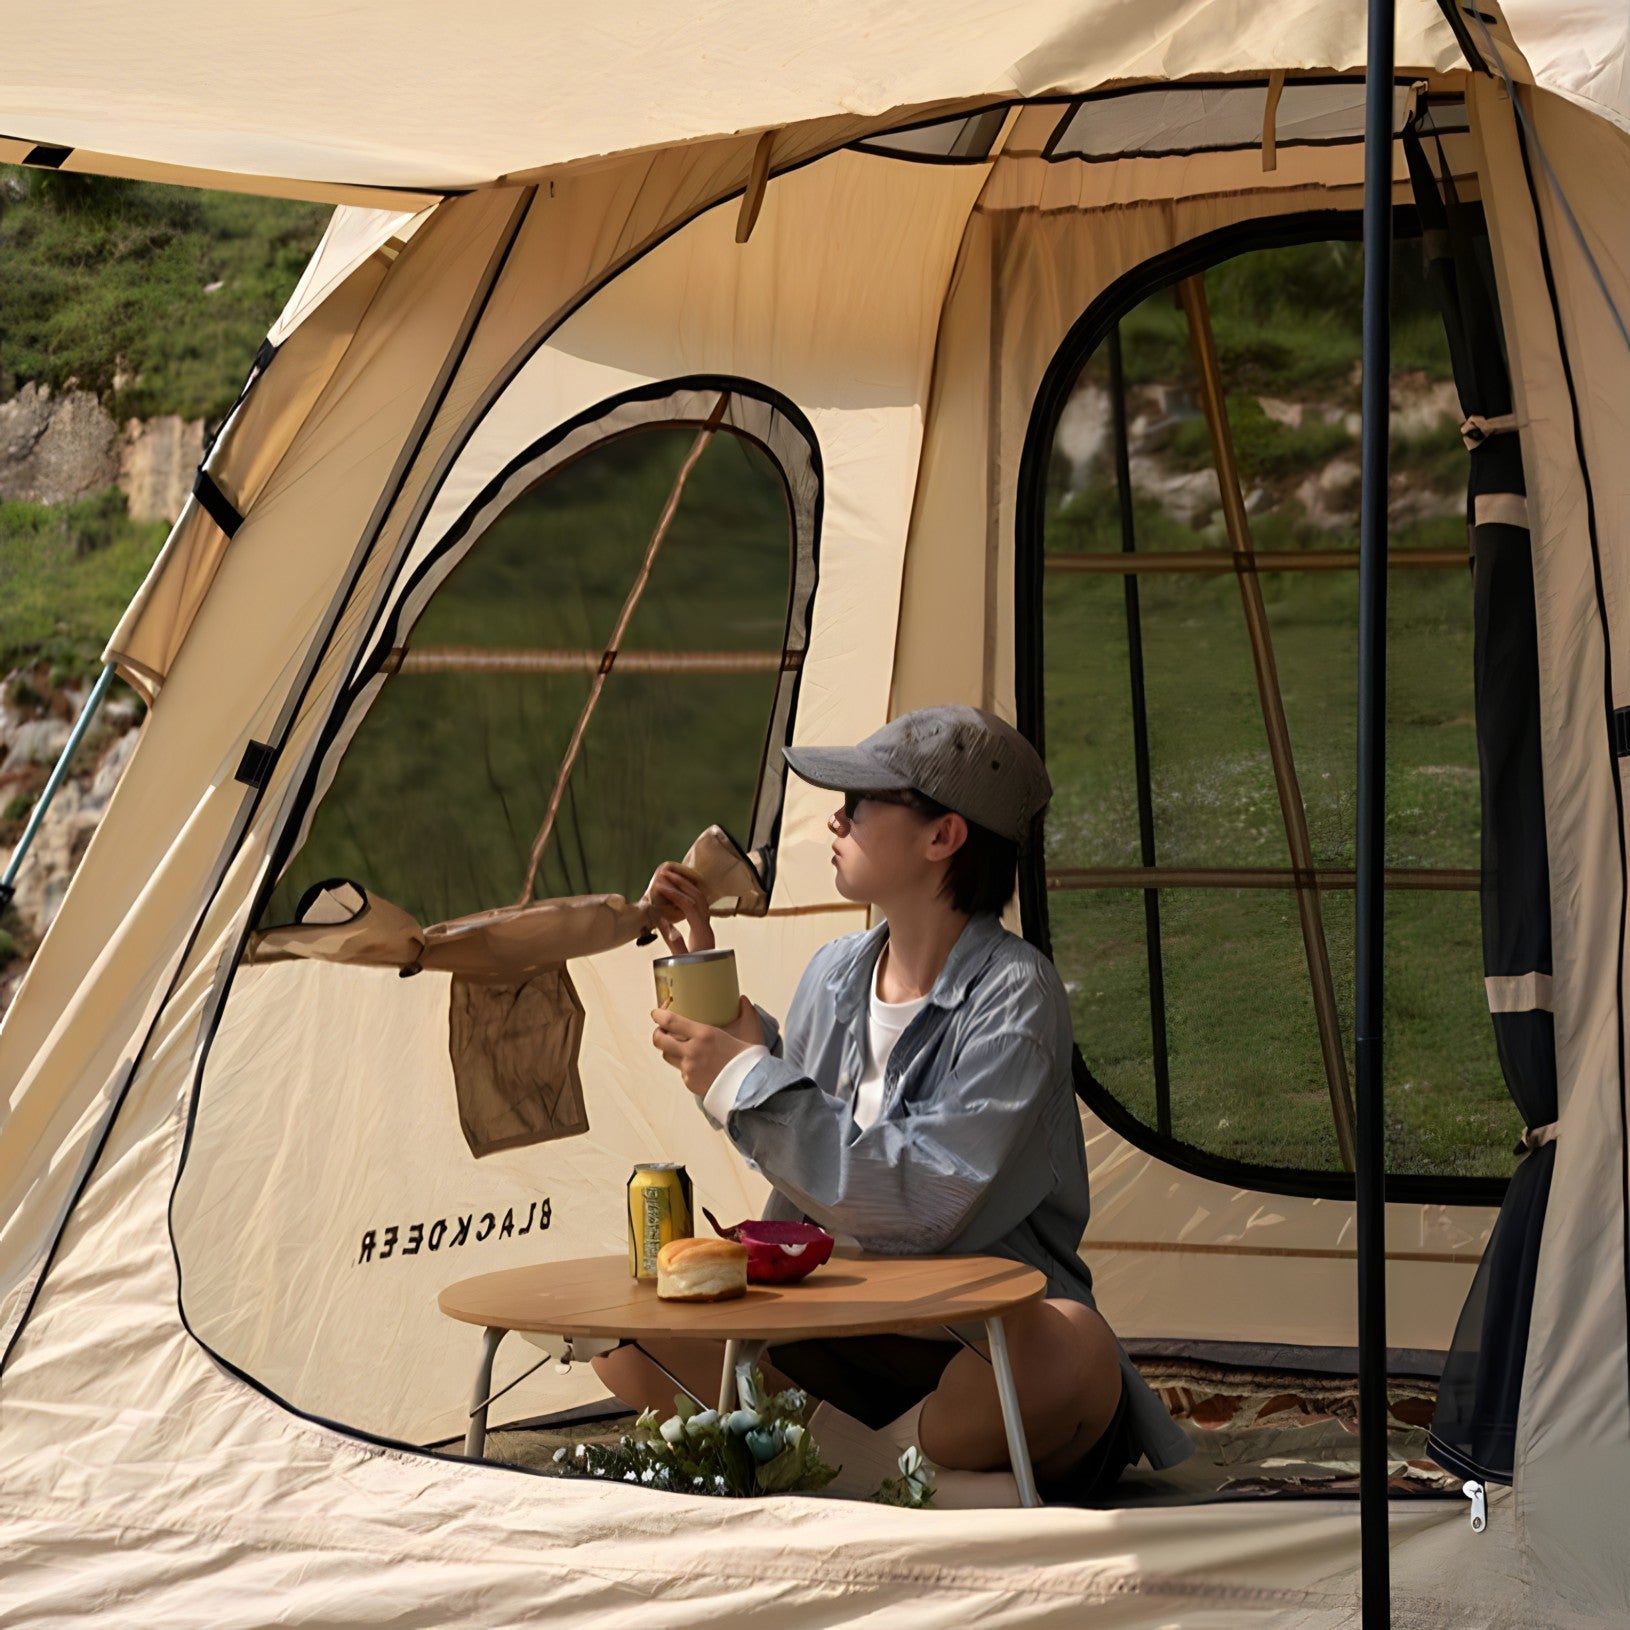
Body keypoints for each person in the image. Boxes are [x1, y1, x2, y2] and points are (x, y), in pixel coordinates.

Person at [592, 705, 1190, 1501]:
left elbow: (929, 1200)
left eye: (861, 803)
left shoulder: (1017, 995)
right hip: (836, 1326)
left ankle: (816, 1463)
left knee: (1075, 1350)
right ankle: (902, 1483)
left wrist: (741, 1080)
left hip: (973, 1340)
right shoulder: (835, 972)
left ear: (944, 837)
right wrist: (709, 988)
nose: (834, 817)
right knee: (616, 1334)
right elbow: (804, 1135)